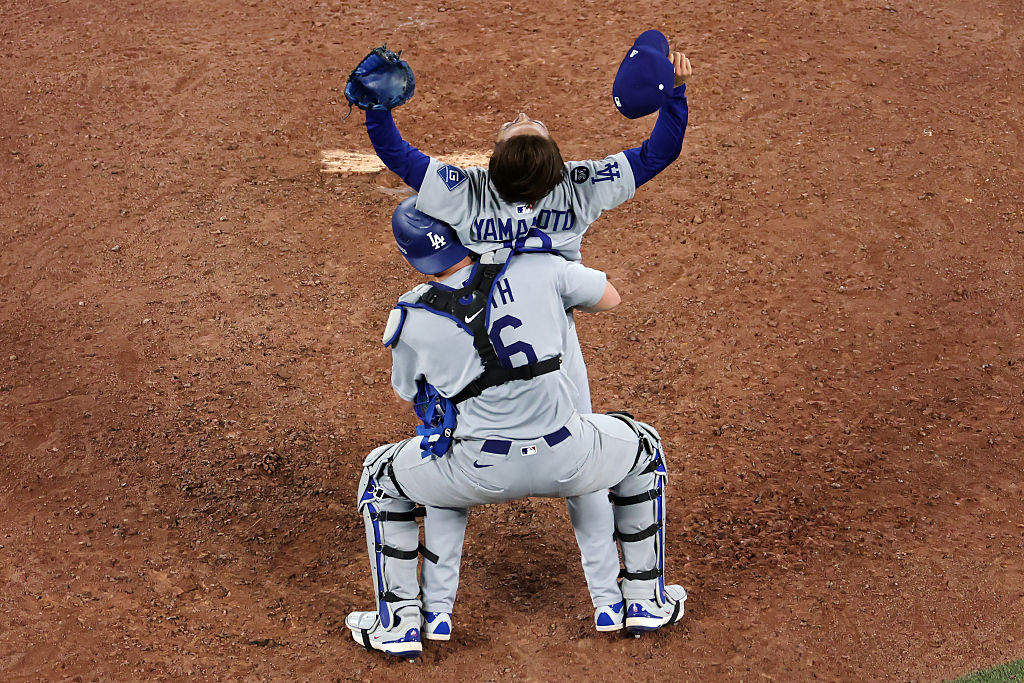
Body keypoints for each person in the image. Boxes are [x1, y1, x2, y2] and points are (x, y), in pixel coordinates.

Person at [345, 204, 685, 659]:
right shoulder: (536, 269)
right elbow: (610, 298)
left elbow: (406, 393)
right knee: (642, 445)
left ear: (411, 258)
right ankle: (645, 599)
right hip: (570, 457)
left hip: (476, 472)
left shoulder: (410, 316)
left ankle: (400, 623)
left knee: (379, 475)